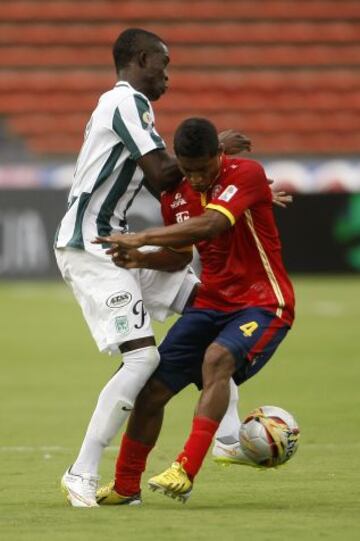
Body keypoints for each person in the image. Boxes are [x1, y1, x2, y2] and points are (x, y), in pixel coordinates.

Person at [54, 28, 251, 508]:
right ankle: (81, 470)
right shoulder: (126, 102)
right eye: (163, 63)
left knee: (209, 308)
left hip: (120, 241)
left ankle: (228, 437)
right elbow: (164, 173)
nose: (168, 74)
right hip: (92, 245)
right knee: (143, 358)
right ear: (142, 59)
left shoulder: (127, 108)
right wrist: (213, 148)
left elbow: (161, 180)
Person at [93, 117, 295, 504]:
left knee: (217, 359)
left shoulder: (246, 173)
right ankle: (125, 487)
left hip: (264, 302)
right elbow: (180, 256)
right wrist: (140, 257)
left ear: (219, 155)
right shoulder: (176, 194)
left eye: (203, 170)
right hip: (211, 303)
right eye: (188, 171)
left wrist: (143, 234)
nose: (196, 179)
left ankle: (185, 468)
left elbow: (211, 225)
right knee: (151, 389)